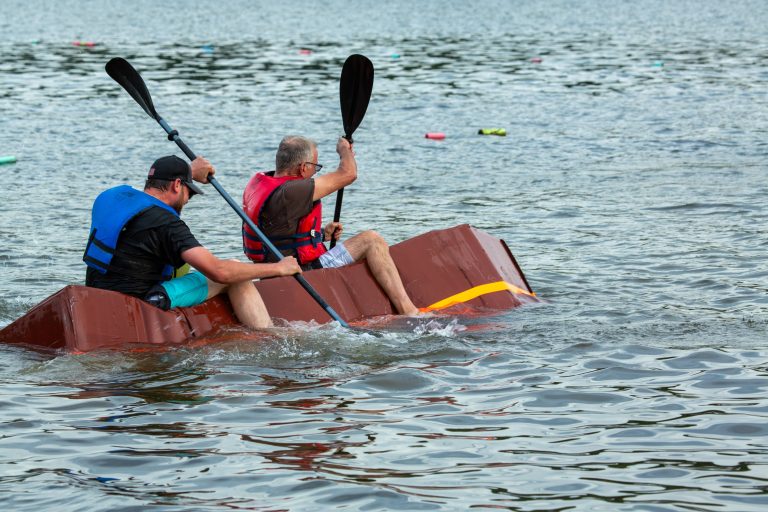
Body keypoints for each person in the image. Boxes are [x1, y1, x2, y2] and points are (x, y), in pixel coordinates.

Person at [84, 155, 300, 328]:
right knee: (234, 269)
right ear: (177, 185)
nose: (187, 200)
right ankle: (270, 337)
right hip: (143, 303)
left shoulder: (110, 197)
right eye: (189, 193)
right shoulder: (166, 224)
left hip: (99, 294)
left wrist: (187, 171)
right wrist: (279, 267)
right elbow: (220, 272)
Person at [242, 135, 419, 316]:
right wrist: (344, 150)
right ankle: (409, 311)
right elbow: (348, 173)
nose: (315, 173)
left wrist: (319, 235)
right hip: (300, 274)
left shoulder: (261, 183)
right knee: (371, 240)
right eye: (315, 167)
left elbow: (279, 231)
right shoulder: (293, 190)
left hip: (269, 274)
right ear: (303, 168)